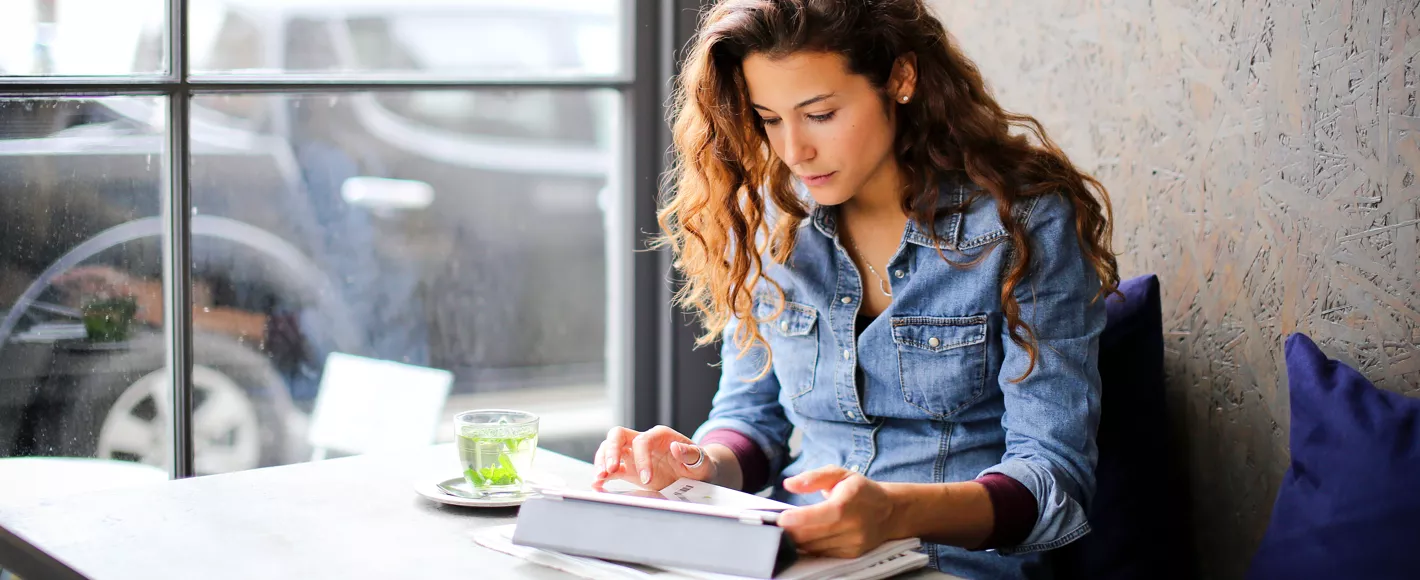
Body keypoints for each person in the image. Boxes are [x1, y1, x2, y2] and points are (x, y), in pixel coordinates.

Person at [591, 1, 1120, 578]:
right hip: (794, 556)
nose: (794, 151)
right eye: (770, 119)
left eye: (819, 114)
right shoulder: (769, 225)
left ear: (900, 79)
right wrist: (696, 464)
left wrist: (895, 512)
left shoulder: (1021, 225)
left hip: (955, 566)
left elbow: (1051, 481)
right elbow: (751, 421)